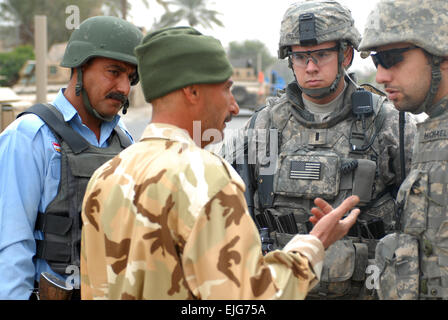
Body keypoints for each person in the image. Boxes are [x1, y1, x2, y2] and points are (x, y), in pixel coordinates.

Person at [80, 26, 361, 300]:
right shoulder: (207, 177)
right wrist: (314, 245)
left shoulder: (106, 175)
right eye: (226, 89)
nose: (234, 107)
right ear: (192, 92)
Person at [220, 0, 417, 299]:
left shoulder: (391, 122)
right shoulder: (263, 123)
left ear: (345, 54)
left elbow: (419, 220)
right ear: (290, 61)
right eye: (301, 57)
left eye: (322, 54)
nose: (311, 67)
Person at [0, 16, 143, 299]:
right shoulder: (30, 136)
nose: (124, 88)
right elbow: (11, 246)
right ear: (79, 67)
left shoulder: (125, 141)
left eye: (131, 77)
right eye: (113, 72)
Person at [358, 0, 448, 300]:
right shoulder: (431, 132)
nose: (381, 77)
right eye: (376, 62)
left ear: (441, 56)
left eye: (392, 59)